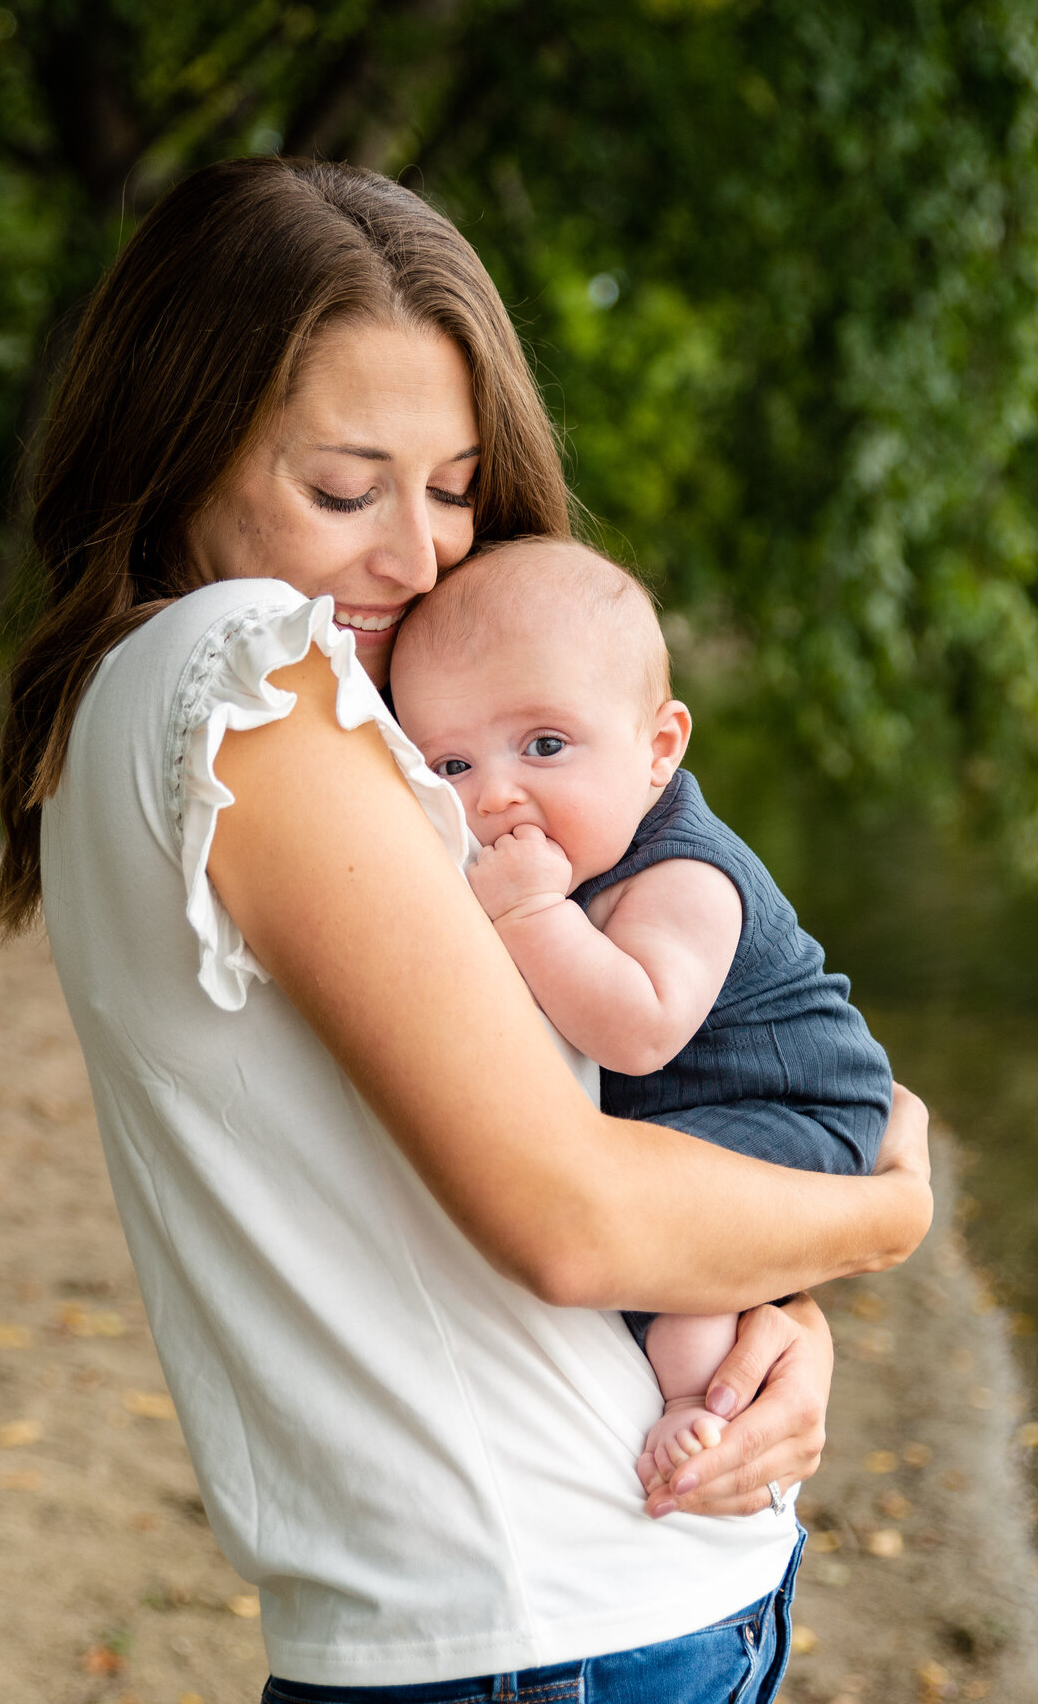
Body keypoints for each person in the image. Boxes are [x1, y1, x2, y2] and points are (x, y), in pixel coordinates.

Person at [0, 157, 931, 1704]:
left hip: (567, 1591)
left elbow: (562, 1130)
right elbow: (567, 1212)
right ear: (175, 447)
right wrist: (882, 1216)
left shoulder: (148, 714)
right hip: (545, 1617)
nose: (422, 555)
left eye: (453, 487)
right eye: (344, 488)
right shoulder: (241, 667)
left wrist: (772, 1314)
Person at [389, 537, 894, 1485]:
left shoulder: (685, 876)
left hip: (800, 1106)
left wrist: (532, 913)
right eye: (450, 764)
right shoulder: (568, 846)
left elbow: (639, 1024)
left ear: (659, 749)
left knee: (680, 1266)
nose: (497, 794)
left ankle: (703, 1403)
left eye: (545, 745)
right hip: (704, 1108)